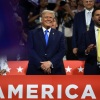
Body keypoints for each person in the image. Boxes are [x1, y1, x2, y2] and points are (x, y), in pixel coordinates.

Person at [26, 10, 66, 75]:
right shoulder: (32, 33)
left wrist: (50, 63)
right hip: (36, 69)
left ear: (53, 20)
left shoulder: (59, 35)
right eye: (46, 17)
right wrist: (41, 64)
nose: (48, 19)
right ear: (41, 19)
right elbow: (30, 50)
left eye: (50, 17)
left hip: (55, 70)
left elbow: (62, 51)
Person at [82, 7, 100, 75]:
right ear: (92, 18)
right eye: (97, 15)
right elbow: (80, 51)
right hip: (91, 68)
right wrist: (87, 51)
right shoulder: (85, 34)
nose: (99, 17)